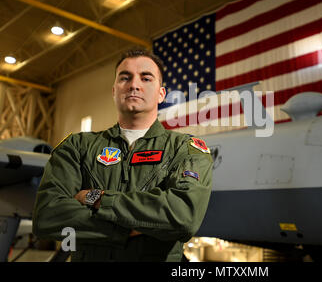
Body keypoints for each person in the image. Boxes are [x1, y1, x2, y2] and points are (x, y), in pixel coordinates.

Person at [32, 48, 213, 262]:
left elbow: (183, 216)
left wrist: (96, 198)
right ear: (114, 90)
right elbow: (47, 217)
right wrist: (128, 231)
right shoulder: (77, 146)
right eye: (125, 78)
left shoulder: (185, 149)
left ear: (161, 93)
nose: (134, 85)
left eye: (146, 78)